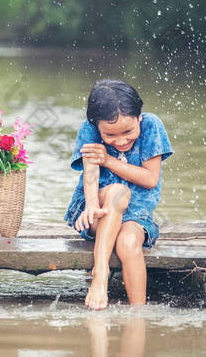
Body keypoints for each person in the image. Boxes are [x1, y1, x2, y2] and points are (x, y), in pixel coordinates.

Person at [64, 79, 172, 310]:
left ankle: (138, 314)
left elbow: (150, 179)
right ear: (97, 126)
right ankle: (100, 273)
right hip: (97, 207)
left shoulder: (152, 126)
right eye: (110, 136)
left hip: (136, 214)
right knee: (118, 192)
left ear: (139, 117)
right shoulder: (89, 130)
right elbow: (90, 174)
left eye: (128, 132)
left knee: (129, 241)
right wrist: (91, 205)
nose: (121, 141)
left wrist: (109, 160)